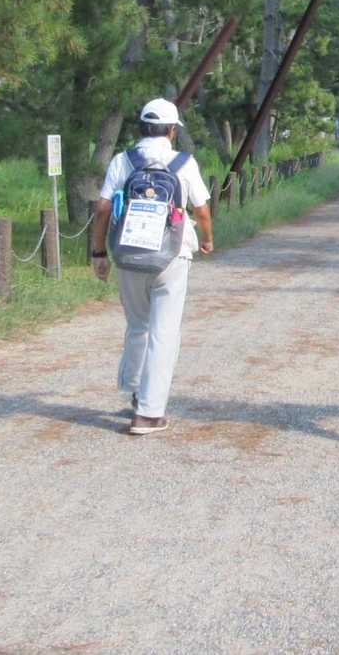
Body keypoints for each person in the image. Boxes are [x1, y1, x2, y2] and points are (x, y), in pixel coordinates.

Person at [90, 98, 215, 435]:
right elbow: (202, 210)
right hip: (172, 256)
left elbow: (103, 209)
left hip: (129, 255)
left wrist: (99, 253)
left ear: (142, 128)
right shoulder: (184, 163)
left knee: (138, 325)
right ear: (171, 130)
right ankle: (149, 412)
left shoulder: (123, 161)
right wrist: (207, 239)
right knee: (164, 332)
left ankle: (134, 388)